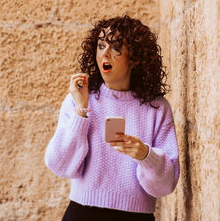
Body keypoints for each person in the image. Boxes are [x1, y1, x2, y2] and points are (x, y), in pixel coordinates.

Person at [44, 15, 180, 220]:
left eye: (115, 47)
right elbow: (59, 165)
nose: (105, 53)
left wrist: (145, 155)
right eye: (100, 45)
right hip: (82, 213)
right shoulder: (79, 99)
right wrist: (81, 111)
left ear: (134, 58)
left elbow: (165, 185)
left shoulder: (157, 108)